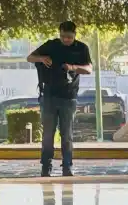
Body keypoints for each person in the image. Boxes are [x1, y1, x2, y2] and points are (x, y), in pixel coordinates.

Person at [27, 20, 92, 176]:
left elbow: (89, 69)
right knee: (48, 133)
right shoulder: (51, 45)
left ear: (75, 35)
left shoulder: (81, 49)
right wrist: (42, 59)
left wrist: (72, 67)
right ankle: (46, 165)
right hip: (48, 95)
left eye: (69, 37)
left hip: (69, 97)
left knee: (66, 134)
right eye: (63, 36)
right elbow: (30, 58)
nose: (66, 40)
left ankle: (67, 165)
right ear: (59, 34)